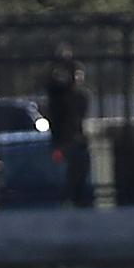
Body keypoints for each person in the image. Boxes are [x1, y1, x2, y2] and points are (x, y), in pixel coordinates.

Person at [44, 48, 94, 207]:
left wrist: (69, 63)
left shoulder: (80, 96)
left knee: (79, 173)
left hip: (75, 141)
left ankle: (77, 199)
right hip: (63, 141)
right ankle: (69, 198)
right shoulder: (58, 94)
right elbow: (49, 82)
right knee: (67, 174)